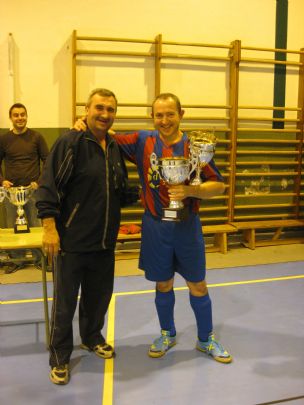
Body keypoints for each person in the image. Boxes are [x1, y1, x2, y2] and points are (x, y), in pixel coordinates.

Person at [75, 93, 232, 363]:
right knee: (163, 284)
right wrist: (83, 123)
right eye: (159, 115)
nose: (164, 120)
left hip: (187, 226)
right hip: (156, 227)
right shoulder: (141, 141)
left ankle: (206, 339)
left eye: (170, 114)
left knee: (198, 285)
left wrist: (191, 190)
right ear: (152, 117)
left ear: (181, 114)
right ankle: (167, 334)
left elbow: (219, 185)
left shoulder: (194, 147)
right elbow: (105, 132)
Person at [35, 88, 138, 385]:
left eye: (111, 109)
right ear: (87, 110)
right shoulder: (71, 142)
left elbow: (118, 190)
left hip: (105, 241)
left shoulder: (115, 146)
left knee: (98, 298)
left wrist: (151, 192)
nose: (105, 114)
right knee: (65, 303)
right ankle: (59, 356)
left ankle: (92, 337)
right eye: (100, 108)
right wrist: (50, 228)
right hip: (72, 241)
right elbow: (48, 187)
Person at [0, 103, 49, 272]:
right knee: (11, 226)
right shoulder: (4, 139)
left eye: (22, 114)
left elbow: (47, 160)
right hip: (11, 193)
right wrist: (2, 181)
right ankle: (16, 260)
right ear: (11, 118)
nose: (20, 118)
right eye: (16, 115)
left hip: (32, 191)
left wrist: (40, 181)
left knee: (36, 224)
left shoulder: (37, 137)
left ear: (26, 116)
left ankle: (39, 259)